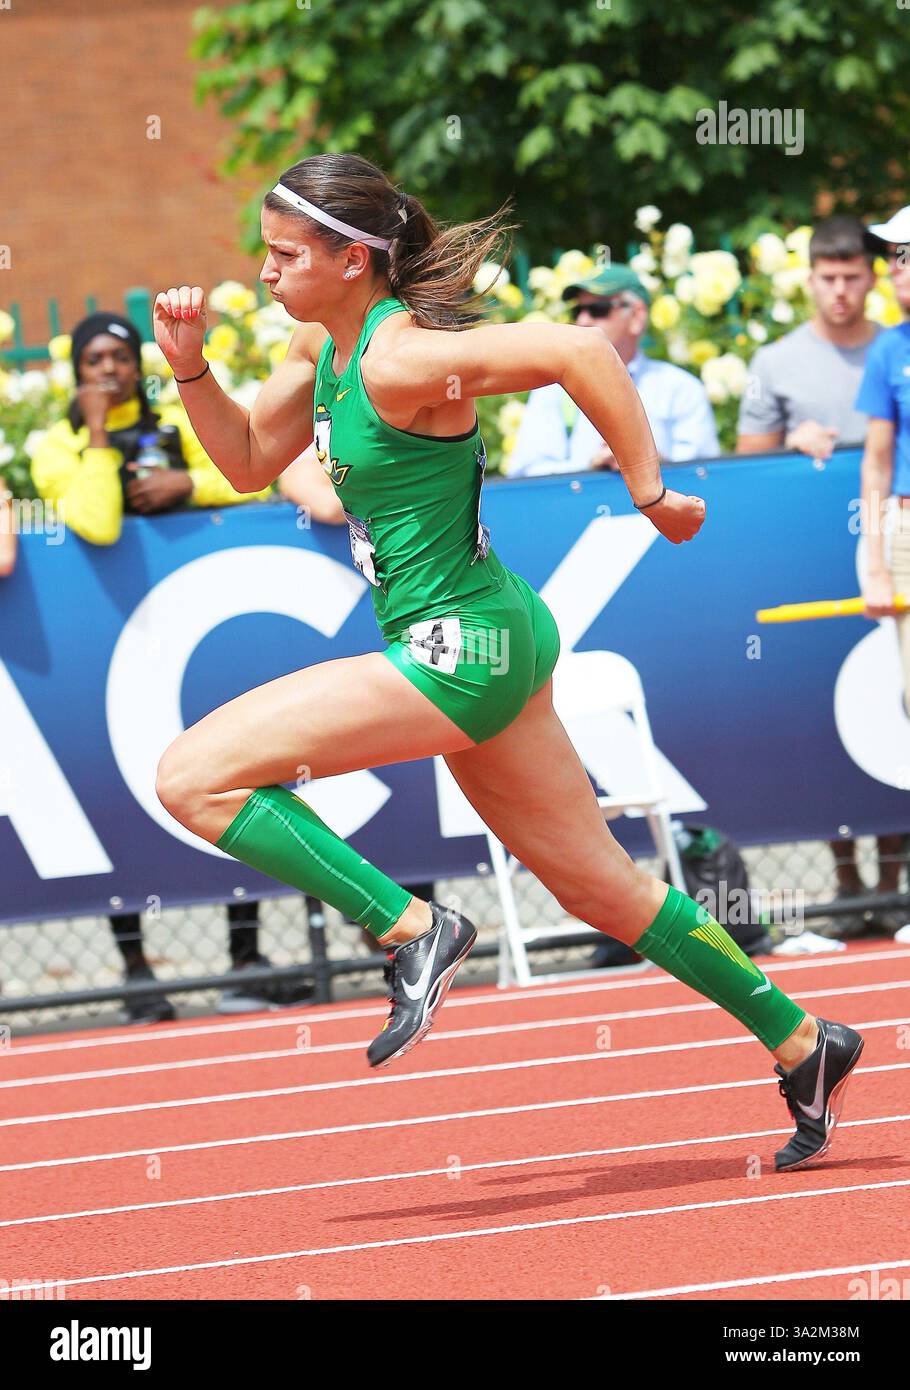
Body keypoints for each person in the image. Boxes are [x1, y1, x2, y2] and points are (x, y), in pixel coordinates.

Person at [152, 151, 862, 1171]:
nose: (264, 273)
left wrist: (650, 491)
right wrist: (189, 364)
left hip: (463, 651)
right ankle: (804, 1041)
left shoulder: (399, 360)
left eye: (282, 255)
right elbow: (246, 461)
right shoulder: (327, 349)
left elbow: (583, 354)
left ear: (353, 260)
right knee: (603, 891)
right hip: (486, 629)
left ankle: (408, 931)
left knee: (194, 776)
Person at [31, 313, 309, 1022]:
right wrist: (98, 434)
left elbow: (244, 478)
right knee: (117, 797)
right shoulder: (56, 446)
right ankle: (136, 969)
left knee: (231, 782)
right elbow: (94, 520)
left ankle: (244, 957)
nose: (108, 370)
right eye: (93, 359)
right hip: (104, 645)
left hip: (192, 638)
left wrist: (185, 484)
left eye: (120, 357)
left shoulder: (172, 425)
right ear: (77, 370)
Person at [738, 216, 905, 937]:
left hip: (875, 546)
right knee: (842, 711)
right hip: (833, 557)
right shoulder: (783, 361)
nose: (842, 289)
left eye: (857, 274)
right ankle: (846, 883)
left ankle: (892, 883)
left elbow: (875, 453)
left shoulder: (888, 346)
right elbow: (749, 459)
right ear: (809, 279)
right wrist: (788, 449)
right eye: (828, 277)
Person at [508, 264, 719, 478]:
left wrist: (649, 464)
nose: (582, 320)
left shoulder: (681, 388)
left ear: (636, 317)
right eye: (577, 310)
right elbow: (525, 476)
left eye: (599, 309)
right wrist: (590, 467)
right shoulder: (552, 390)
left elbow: (704, 477)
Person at [856, 204, 910, 936]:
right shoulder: (887, 350)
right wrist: (873, 557)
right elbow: (873, 462)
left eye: (905, 255)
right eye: (892, 257)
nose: (895, 270)